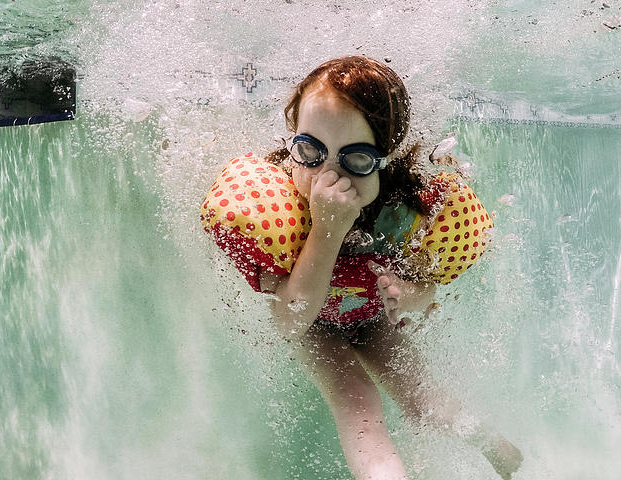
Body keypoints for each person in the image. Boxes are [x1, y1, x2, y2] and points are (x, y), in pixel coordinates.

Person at [206, 56, 523, 480]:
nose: (327, 177)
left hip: (372, 319)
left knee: (422, 401)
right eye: (310, 151)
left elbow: (426, 291)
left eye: (355, 160)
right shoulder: (278, 215)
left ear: (386, 159)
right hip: (314, 327)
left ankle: (495, 446)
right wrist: (327, 230)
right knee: (356, 397)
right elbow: (289, 319)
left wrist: (408, 295)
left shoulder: (402, 215)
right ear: (292, 141)